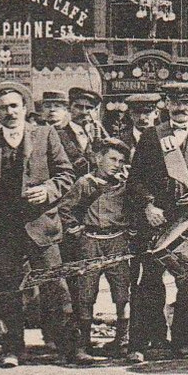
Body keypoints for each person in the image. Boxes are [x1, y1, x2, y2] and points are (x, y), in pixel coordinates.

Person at [0, 83, 79, 368]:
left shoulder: (45, 136)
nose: (10, 112)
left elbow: (66, 174)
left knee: (56, 288)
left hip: (41, 228)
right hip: (3, 231)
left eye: (14, 106)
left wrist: (48, 190)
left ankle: (66, 347)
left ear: (25, 108)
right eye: (3, 108)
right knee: (7, 293)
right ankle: (12, 349)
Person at [126, 81, 188, 362]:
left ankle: (182, 342)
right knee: (149, 284)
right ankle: (145, 341)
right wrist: (148, 205)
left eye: (187, 102)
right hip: (157, 218)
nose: (181, 108)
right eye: (175, 102)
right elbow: (136, 179)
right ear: (166, 104)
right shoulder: (151, 135)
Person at [57, 138, 134, 357]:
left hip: (117, 241)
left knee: (122, 292)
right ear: (98, 158)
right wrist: (74, 228)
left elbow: (135, 208)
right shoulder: (85, 183)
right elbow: (65, 209)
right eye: (112, 159)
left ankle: (123, 340)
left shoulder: (124, 185)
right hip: (89, 242)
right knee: (86, 293)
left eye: (121, 161)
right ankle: (83, 343)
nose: (116, 164)